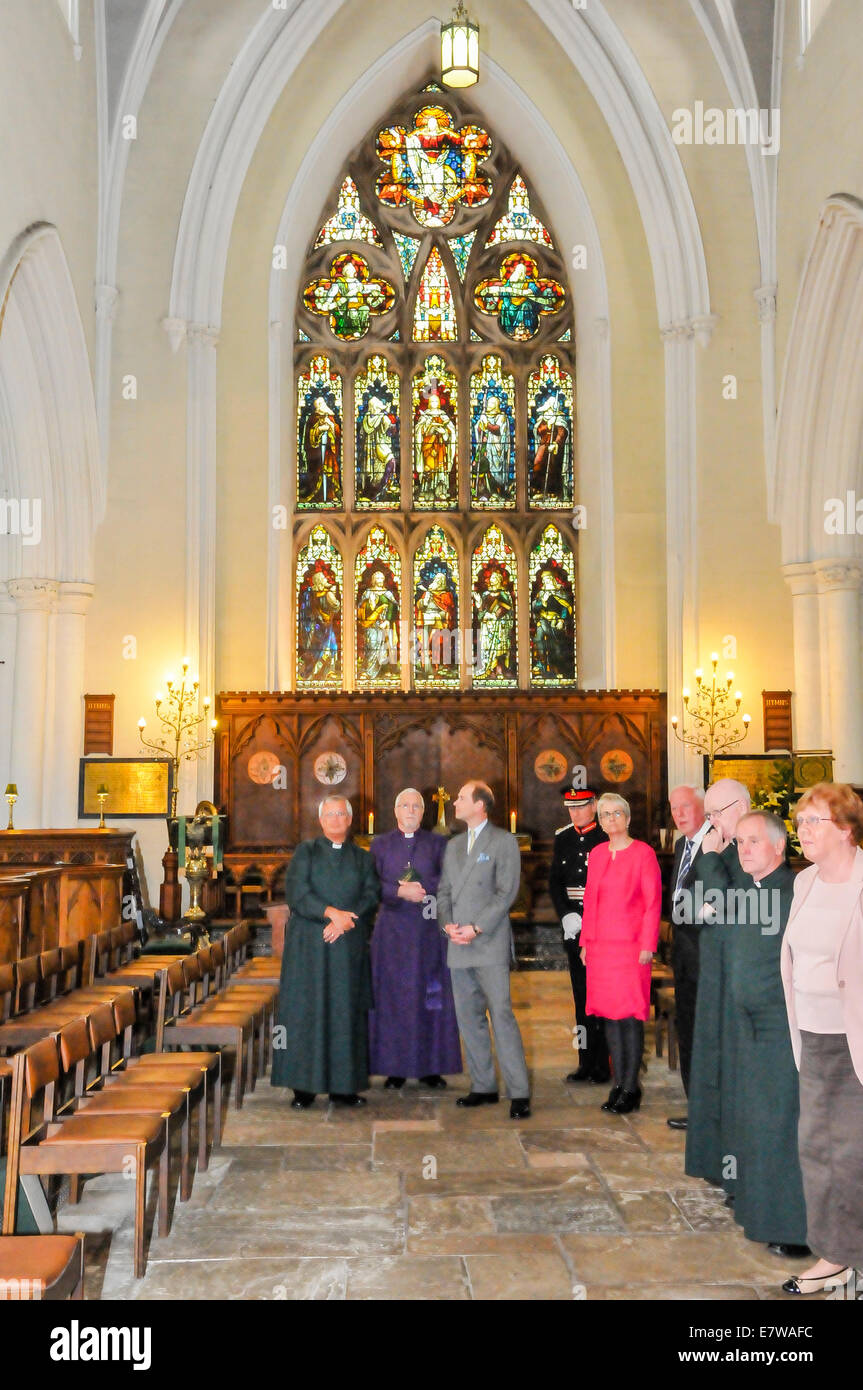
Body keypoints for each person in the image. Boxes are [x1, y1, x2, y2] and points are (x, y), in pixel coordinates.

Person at [694, 811, 808, 1255]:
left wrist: (709, 859)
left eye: (753, 842)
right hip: (744, 1026)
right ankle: (754, 1202)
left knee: (779, 1123)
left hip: (779, 1027)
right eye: (738, 842)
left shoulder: (792, 891)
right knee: (750, 1119)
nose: (743, 850)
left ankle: (791, 1227)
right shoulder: (750, 887)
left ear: (779, 846)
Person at [779, 782, 863, 1297]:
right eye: (800, 821)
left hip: (855, 1041)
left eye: (813, 822)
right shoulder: (805, 882)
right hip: (811, 1034)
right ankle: (835, 1256)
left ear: (847, 830)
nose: (802, 831)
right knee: (816, 1149)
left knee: (854, 1153)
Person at [271, 796, 379, 1109]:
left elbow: (372, 894)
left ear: (349, 819)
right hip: (309, 947)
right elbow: (297, 893)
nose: (335, 819)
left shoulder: (362, 858)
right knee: (307, 1013)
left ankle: (344, 1087)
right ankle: (303, 1088)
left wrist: (347, 921)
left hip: (347, 945)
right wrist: (331, 913)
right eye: (329, 814)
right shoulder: (306, 852)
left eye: (341, 814)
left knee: (345, 1012)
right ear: (321, 820)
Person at [436, 781, 530, 1119]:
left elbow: (506, 893)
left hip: (487, 942)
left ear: (480, 805)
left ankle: (518, 1091)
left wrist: (476, 927)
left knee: (501, 1016)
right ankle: (483, 1086)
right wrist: (447, 925)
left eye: (461, 797)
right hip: (458, 944)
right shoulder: (453, 845)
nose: (455, 802)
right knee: (469, 1018)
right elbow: (443, 892)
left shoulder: (504, 842)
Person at [368, 788, 462, 1089]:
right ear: (395, 811)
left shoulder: (438, 843)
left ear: (424, 813)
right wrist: (398, 891)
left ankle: (430, 1066)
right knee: (392, 1000)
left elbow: (449, 879)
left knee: (430, 998)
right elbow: (370, 883)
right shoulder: (380, 844)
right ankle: (393, 1067)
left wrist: (420, 887)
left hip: (428, 934)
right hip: (391, 935)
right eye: (404, 805)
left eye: (416, 806)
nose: (410, 810)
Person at [685, 777, 751, 1195]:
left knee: (733, 1073)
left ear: (740, 808)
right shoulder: (722, 848)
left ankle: (736, 1170)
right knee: (711, 1064)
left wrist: (709, 862)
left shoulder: (751, 846)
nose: (710, 824)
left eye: (715, 814)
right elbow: (697, 906)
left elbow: (724, 903)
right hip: (714, 967)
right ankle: (717, 1161)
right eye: (707, 815)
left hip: (737, 976)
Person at [580, 793, 661, 1114]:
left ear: (628, 818)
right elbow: (589, 901)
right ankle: (617, 1084)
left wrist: (647, 945)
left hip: (631, 948)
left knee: (630, 1015)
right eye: (605, 815)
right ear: (599, 821)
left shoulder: (643, 853)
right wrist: (586, 942)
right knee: (609, 1016)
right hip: (600, 948)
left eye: (617, 813)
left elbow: (653, 902)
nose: (611, 819)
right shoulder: (598, 853)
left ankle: (631, 1086)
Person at [548, 787, 609, 1084]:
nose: (575, 813)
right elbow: (555, 883)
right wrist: (565, 914)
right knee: (581, 999)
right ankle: (585, 1062)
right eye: (571, 808)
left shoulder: (606, 836)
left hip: (603, 930)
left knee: (603, 1000)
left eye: (581, 807)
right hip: (575, 930)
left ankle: (603, 1064)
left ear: (594, 805)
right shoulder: (563, 838)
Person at [666, 784, 710, 1129]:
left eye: (685, 807)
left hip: (707, 959)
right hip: (683, 958)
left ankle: (709, 1112)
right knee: (688, 1032)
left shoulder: (718, 847)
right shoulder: (682, 845)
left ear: (704, 808)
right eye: (674, 808)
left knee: (705, 1035)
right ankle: (696, 1107)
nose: (679, 814)